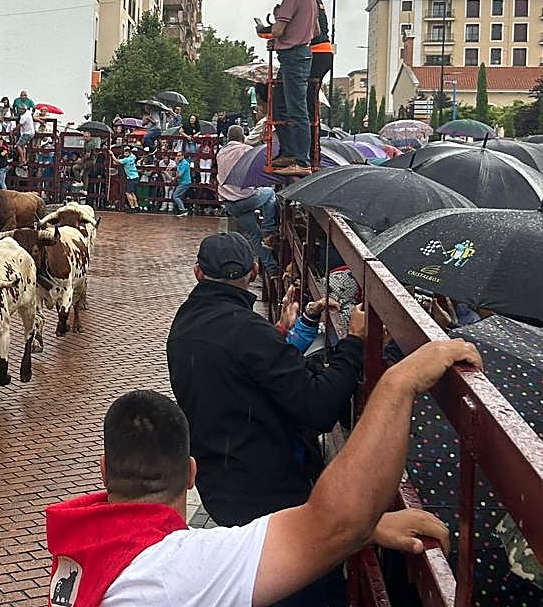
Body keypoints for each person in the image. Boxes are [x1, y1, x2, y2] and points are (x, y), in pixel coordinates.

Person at [45, 338, 475, 607]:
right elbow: (332, 524)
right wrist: (399, 384)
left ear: (104, 474)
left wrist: (369, 527)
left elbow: (256, 543)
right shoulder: (169, 570)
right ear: (192, 472)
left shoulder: (81, 554)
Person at [167, 232, 366, 605]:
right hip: (271, 493)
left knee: (252, 584)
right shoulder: (247, 331)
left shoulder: (185, 326)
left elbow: (247, 375)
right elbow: (318, 407)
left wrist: (296, 327)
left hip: (221, 483)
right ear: (254, 269)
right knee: (307, 590)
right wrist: (354, 344)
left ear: (198, 273)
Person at [267, 0, 316, 177]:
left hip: (293, 57)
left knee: (296, 110)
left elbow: (278, 29)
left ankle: (301, 160)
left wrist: (269, 28)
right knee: (281, 105)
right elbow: (313, 30)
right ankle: (288, 151)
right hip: (299, 54)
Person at [217, 126, 279, 274]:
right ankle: (268, 231)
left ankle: (272, 270)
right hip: (246, 198)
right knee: (270, 193)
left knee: (253, 236)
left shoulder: (220, 153)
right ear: (242, 137)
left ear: (228, 137)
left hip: (230, 203)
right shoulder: (245, 150)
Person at [304, 0, 334, 159]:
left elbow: (313, 31)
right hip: (324, 51)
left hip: (316, 52)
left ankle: (311, 149)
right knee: (311, 99)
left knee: (307, 101)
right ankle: (314, 147)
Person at [115, 146, 140, 212]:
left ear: (129, 153)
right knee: (132, 192)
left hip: (131, 177)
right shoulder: (133, 157)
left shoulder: (126, 160)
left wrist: (112, 154)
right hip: (136, 176)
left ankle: (132, 207)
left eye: (126, 153)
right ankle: (136, 206)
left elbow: (116, 161)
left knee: (128, 193)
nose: (124, 155)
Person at [171, 148, 192, 217]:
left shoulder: (184, 163)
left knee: (175, 196)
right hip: (182, 182)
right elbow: (177, 168)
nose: (178, 157)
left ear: (183, 156)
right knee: (179, 196)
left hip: (185, 183)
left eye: (180, 155)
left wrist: (174, 179)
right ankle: (182, 209)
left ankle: (183, 210)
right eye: (177, 155)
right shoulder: (180, 163)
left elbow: (180, 175)